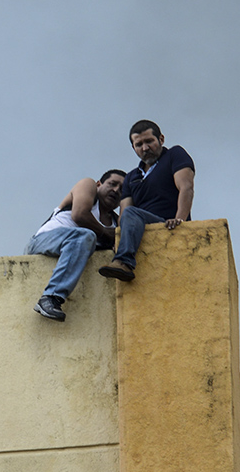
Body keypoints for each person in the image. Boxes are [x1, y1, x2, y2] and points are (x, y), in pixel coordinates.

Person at [98, 120, 194, 281]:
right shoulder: (131, 177)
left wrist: (180, 220)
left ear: (161, 139)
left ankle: (124, 262)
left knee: (131, 213)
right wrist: (119, 237)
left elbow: (186, 187)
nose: (145, 148)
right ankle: (124, 256)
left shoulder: (174, 155)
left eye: (149, 141)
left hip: (167, 223)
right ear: (133, 148)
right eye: (139, 144)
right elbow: (124, 213)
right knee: (129, 213)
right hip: (141, 227)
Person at [26, 169, 126, 321]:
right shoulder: (88, 185)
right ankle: (51, 297)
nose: (116, 190)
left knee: (87, 237)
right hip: (44, 240)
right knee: (85, 235)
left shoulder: (115, 221)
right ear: (99, 184)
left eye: (122, 190)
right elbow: (79, 215)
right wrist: (107, 234)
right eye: (112, 184)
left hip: (70, 248)